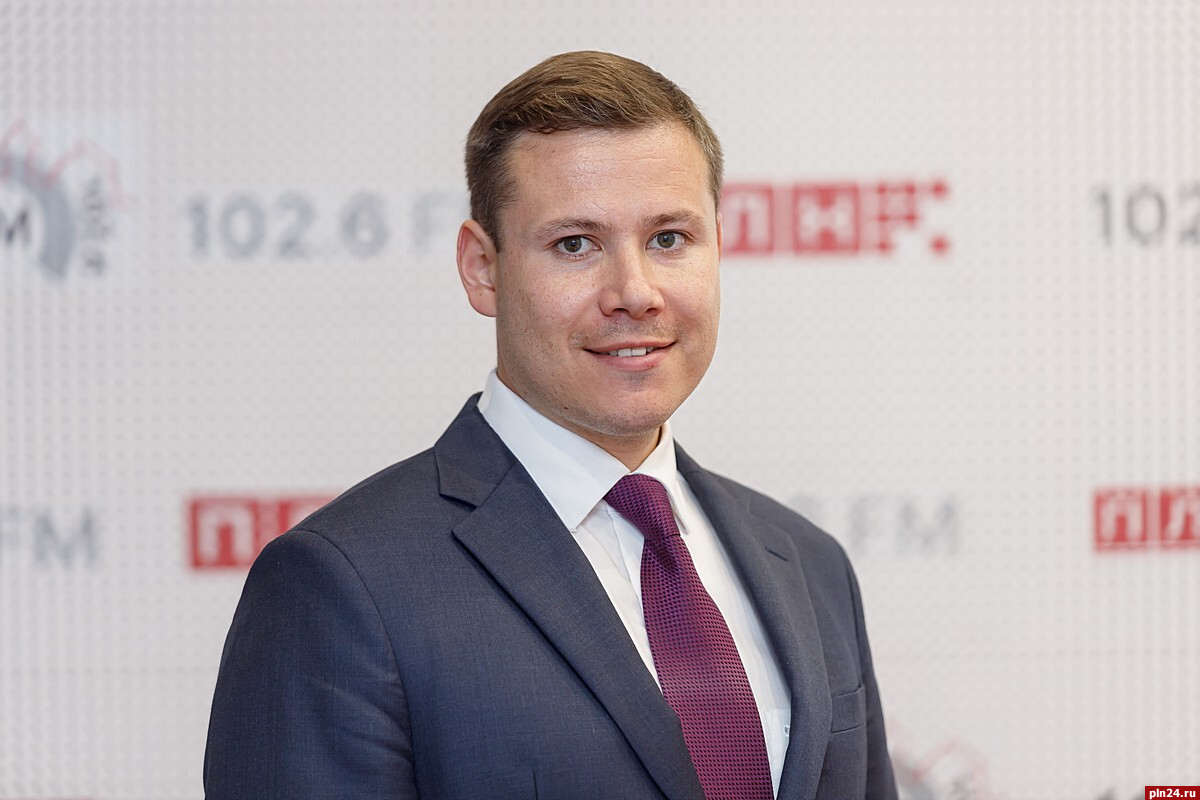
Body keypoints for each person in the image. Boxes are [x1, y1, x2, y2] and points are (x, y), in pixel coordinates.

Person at [204, 50, 896, 800]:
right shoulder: (343, 586)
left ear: (718, 247)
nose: (635, 292)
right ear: (482, 267)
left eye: (669, 238)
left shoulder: (810, 564)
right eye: (575, 244)